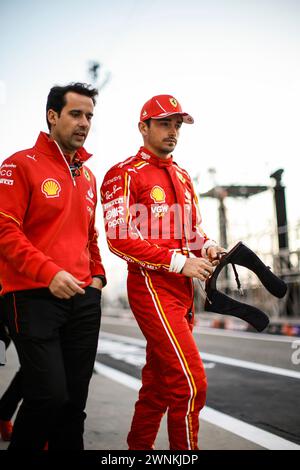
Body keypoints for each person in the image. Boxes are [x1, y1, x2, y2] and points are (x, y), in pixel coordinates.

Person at [101, 94, 224, 450]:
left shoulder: (183, 176)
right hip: (151, 287)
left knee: (157, 386)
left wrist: (208, 247)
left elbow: (192, 232)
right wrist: (180, 262)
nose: (173, 131)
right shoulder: (123, 173)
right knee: (190, 383)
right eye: (164, 123)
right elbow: (119, 238)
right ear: (144, 127)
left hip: (184, 291)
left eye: (177, 125)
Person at [0, 82, 106, 450]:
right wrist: (49, 272)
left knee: (73, 408)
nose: (84, 122)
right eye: (75, 114)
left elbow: (90, 235)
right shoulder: (18, 164)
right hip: (31, 296)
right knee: (48, 397)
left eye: (89, 116)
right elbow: (4, 230)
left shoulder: (88, 176)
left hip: (83, 300)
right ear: (52, 116)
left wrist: (98, 278)